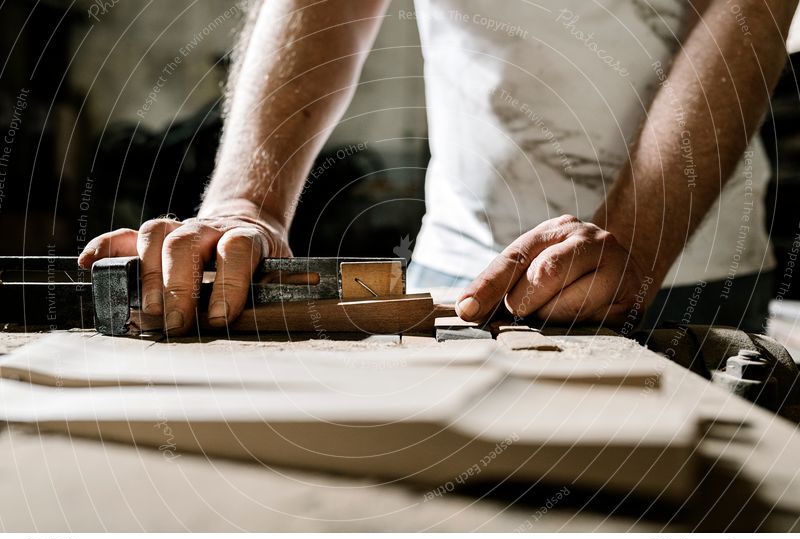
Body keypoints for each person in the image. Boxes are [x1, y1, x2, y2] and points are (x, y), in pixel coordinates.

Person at [78, 0, 798, 336]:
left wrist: (638, 236)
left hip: (689, 269)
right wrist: (246, 204)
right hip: (453, 270)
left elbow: (746, 12)